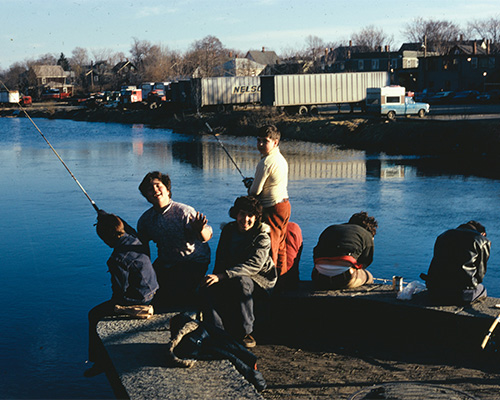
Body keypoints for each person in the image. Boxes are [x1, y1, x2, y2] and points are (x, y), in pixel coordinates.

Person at [85, 211, 159, 377]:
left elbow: (120, 291)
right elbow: (127, 227)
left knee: (94, 314)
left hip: (139, 299)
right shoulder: (135, 240)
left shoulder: (117, 258)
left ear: (106, 239)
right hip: (153, 291)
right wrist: (104, 215)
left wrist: (117, 307)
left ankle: (99, 361)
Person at [201, 196, 277, 348]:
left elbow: (253, 266)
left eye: (250, 215)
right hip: (232, 274)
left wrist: (223, 276)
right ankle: (218, 331)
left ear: (256, 218)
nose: (246, 219)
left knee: (242, 281)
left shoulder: (262, 236)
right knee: (206, 286)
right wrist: (215, 277)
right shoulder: (229, 230)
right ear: (236, 214)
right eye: (242, 214)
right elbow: (221, 258)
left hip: (259, 279)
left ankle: (246, 332)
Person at [137, 171, 212, 307]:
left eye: (158, 186)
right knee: (147, 288)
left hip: (193, 260)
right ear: (147, 196)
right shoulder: (146, 220)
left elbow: (206, 238)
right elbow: (142, 247)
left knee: (176, 294)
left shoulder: (184, 212)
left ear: (167, 190)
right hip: (167, 261)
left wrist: (200, 229)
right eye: (150, 189)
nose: (155, 190)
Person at [244, 124, 290, 278]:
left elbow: (255, 191)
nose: (260, 145)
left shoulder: (266, 162)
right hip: (284, 204)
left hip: (272, 208)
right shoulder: (280, 158)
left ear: (275, 142)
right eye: (258, 141)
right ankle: (282, 280)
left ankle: (272, 282)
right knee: (281, 245)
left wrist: (249, 187)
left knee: (271, 247)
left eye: (265, 141)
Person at [421, 221, 491, 305]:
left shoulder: (443, 235)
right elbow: (480, 275)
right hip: (460, 295)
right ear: (483, 233)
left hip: (434, 292)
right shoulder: (481, 240)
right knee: (482, 290)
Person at [312, 212, 378, 290]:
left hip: (318, 277)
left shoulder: (331, 228)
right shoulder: (366, 234)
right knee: (369, 277)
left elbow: (316, 252)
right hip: (344, 278)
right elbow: (365, 262)